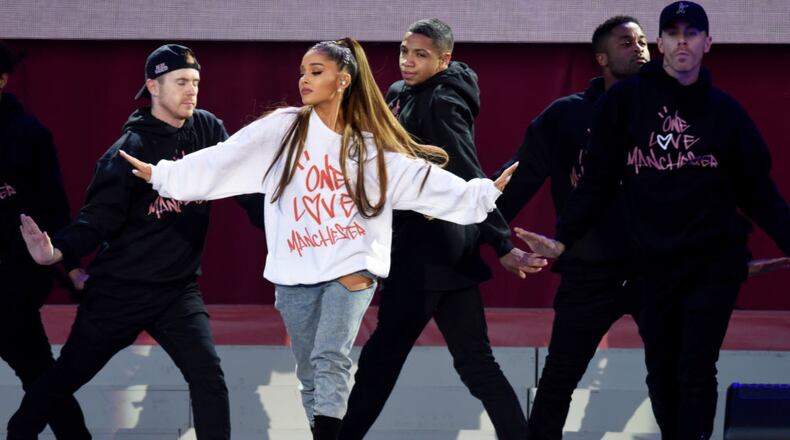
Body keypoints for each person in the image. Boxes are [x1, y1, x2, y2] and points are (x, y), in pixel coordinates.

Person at [119, 37, 519, 440]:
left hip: (352, 266)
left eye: (316, 72)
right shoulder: (282, 130)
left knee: (331, 359)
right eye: (302, 73)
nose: (304, 80)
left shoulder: (367, 146)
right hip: (295, 270)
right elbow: (226, 158)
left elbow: (416, 178)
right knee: (310, 369)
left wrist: (480, 193)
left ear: (343, 80)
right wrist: (164, 175)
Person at [515, 2, 790, 438]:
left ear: (707, 43)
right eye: (671, 33)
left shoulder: (725, 113)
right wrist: (558, 238)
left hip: (690, 266)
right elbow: (593, 180)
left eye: (692, 33)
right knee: (615, 374)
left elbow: (757, 192)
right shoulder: (605, 107)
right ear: (663, 44)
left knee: (689, 374)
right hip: (624, 269)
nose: (680, 41)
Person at [11, 44, 264, 440]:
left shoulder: (209, 130)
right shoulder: (129, 149)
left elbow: (245, 187)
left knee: (208, 377)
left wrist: (287, 229)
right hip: (120, 292)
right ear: (153, 86)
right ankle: (18, 432)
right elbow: (98, 217)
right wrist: (58, 252)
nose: (192, 91)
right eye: (181, 82)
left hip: (178, 291)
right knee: (65, 376)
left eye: (196, 82)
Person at [340, 18, 545, 440]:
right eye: (403, 52)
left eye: (421, 55)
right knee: (474, 362)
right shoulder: (400, 94)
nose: (407, 62)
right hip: (437, 252)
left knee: (381, 361)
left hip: (428, 251)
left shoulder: (442, 101)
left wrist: (501, 241)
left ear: (444, 59)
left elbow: (468, 174)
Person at [493, 16, 649, 439]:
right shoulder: (566, 117)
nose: (639, 48)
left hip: (656, 270)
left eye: (642, 41)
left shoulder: (670, 113)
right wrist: (492, 238)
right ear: (601, 58)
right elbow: (513, 182)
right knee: (558, 380)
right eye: (625, 42)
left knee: (675, 376)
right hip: (589, 271)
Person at [0, 41, 91, 440]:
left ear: (2, 80)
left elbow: (55, 208)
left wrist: (69, 265)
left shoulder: (28, 134)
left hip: (12, 276)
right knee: (39, 372)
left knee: (37, 370)